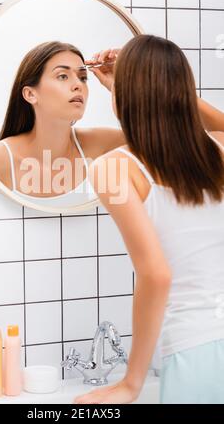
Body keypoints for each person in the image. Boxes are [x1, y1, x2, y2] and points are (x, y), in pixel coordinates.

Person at [74, 35, 224, 404]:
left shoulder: (114, 168)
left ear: (126, 95)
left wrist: (131, 383)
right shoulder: (217, 149)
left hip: (196, 349)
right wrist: (158, 81)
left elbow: (157, 275)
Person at [0, 41, 124, 199]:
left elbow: (154, 146)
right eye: (63, 76)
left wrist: (121, 85)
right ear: (30, 94)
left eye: (83, 78)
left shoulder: (102, 145)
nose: (78, 84)